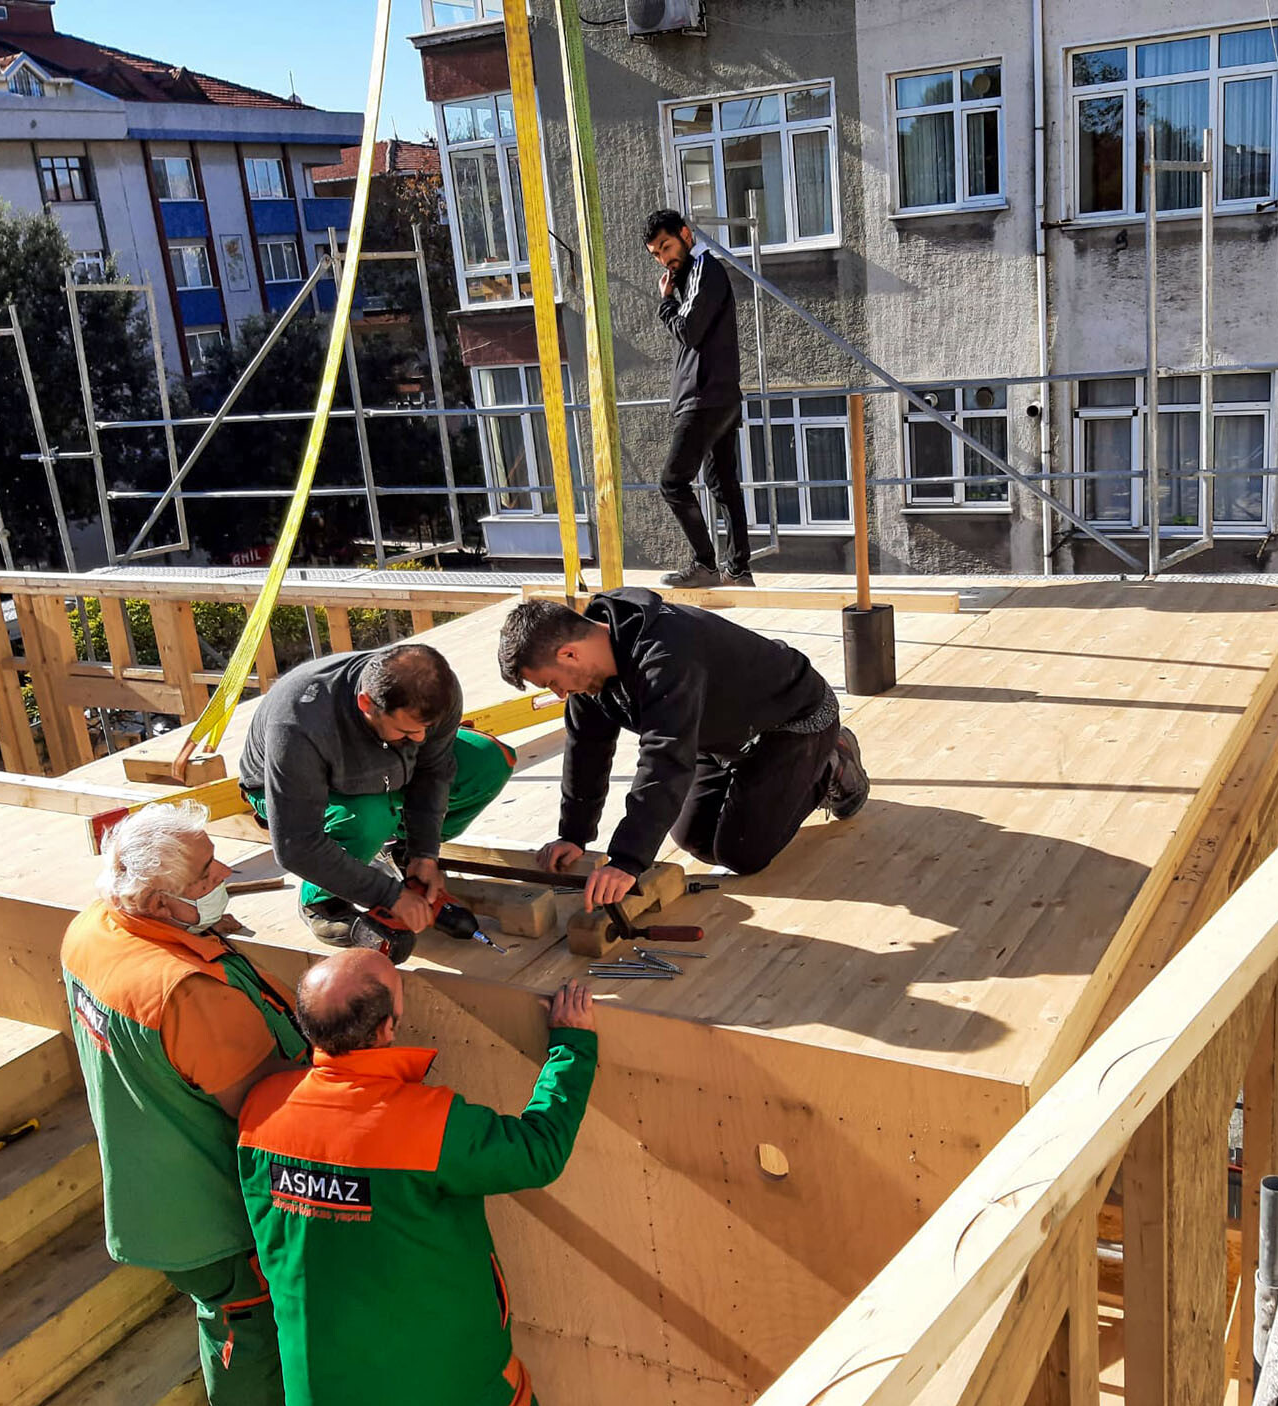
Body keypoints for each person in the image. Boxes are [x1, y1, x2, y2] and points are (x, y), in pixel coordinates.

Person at [238, 951, 597, 1406]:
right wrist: (571, 1048)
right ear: (388, 1028)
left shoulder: (262, 1109)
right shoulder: (429, 1124)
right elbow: (539, 1151)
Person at [61, 800, 308, 1406]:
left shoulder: (92, 930)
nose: (223, 871)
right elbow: (273, 1120)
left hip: (153, 1187)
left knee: (225, 1317)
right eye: (205, 873)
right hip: (215, 1219)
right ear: (161, 903)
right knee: (243, 1327)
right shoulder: (187, 997)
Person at [495, 593, 869, 909]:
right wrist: (573, 835)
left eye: (552, 683)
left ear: (569, 655)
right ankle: (770, 779)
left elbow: (664, 759)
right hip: (715, 731)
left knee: (744, 854)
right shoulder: (591, 674)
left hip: (791, 721)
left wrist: (626, 860)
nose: (560, 694)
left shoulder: (666, 653)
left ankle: (830, 764)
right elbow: (586, 748)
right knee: (696, 840)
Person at [238, 641, 515, 947]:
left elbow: (433, 770)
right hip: (295, 791)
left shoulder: (437, 690)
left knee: (488, 761)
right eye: (408, 732)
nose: (420, 739)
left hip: (383, 770)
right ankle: (321, 902)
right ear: (366, 704)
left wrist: (424, 852)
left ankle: (398, 852)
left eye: (425, 729)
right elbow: (295, 845)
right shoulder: (299, 722)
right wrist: (389, 895)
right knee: (367, 819)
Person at [645, 207, 754, 589]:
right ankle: (738, 569)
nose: (664, 258)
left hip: (705, 397)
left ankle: (705, 563)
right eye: (656, 254)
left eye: (666, 246)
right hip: (718, 396)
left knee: (672, 483)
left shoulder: (704, 270)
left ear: (687, 235)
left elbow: (688, 331)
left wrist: (665, 302)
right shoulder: (692, 276)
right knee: (722, 483)